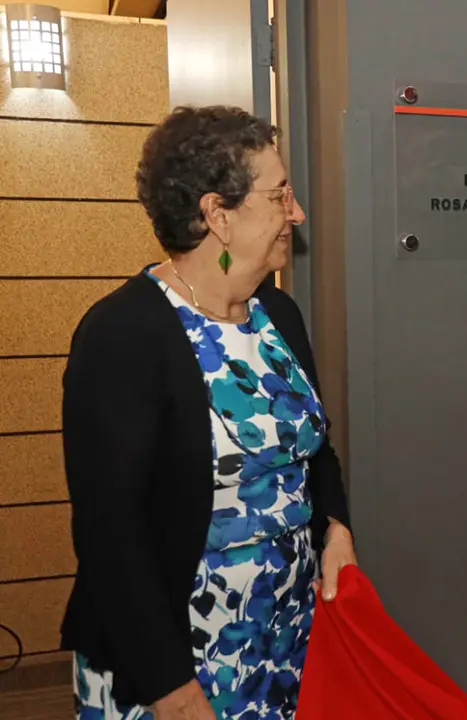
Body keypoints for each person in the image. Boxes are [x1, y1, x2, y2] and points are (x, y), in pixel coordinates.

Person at [59, 105, 357, 720]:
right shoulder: (123, 335)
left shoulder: (278, 315)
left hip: (287, 642)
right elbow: (110, 534)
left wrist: (338, 528)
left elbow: (313, 449)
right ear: (218, 215)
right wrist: (170, 688)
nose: (296, 213)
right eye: (279, 196)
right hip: (176, 664)